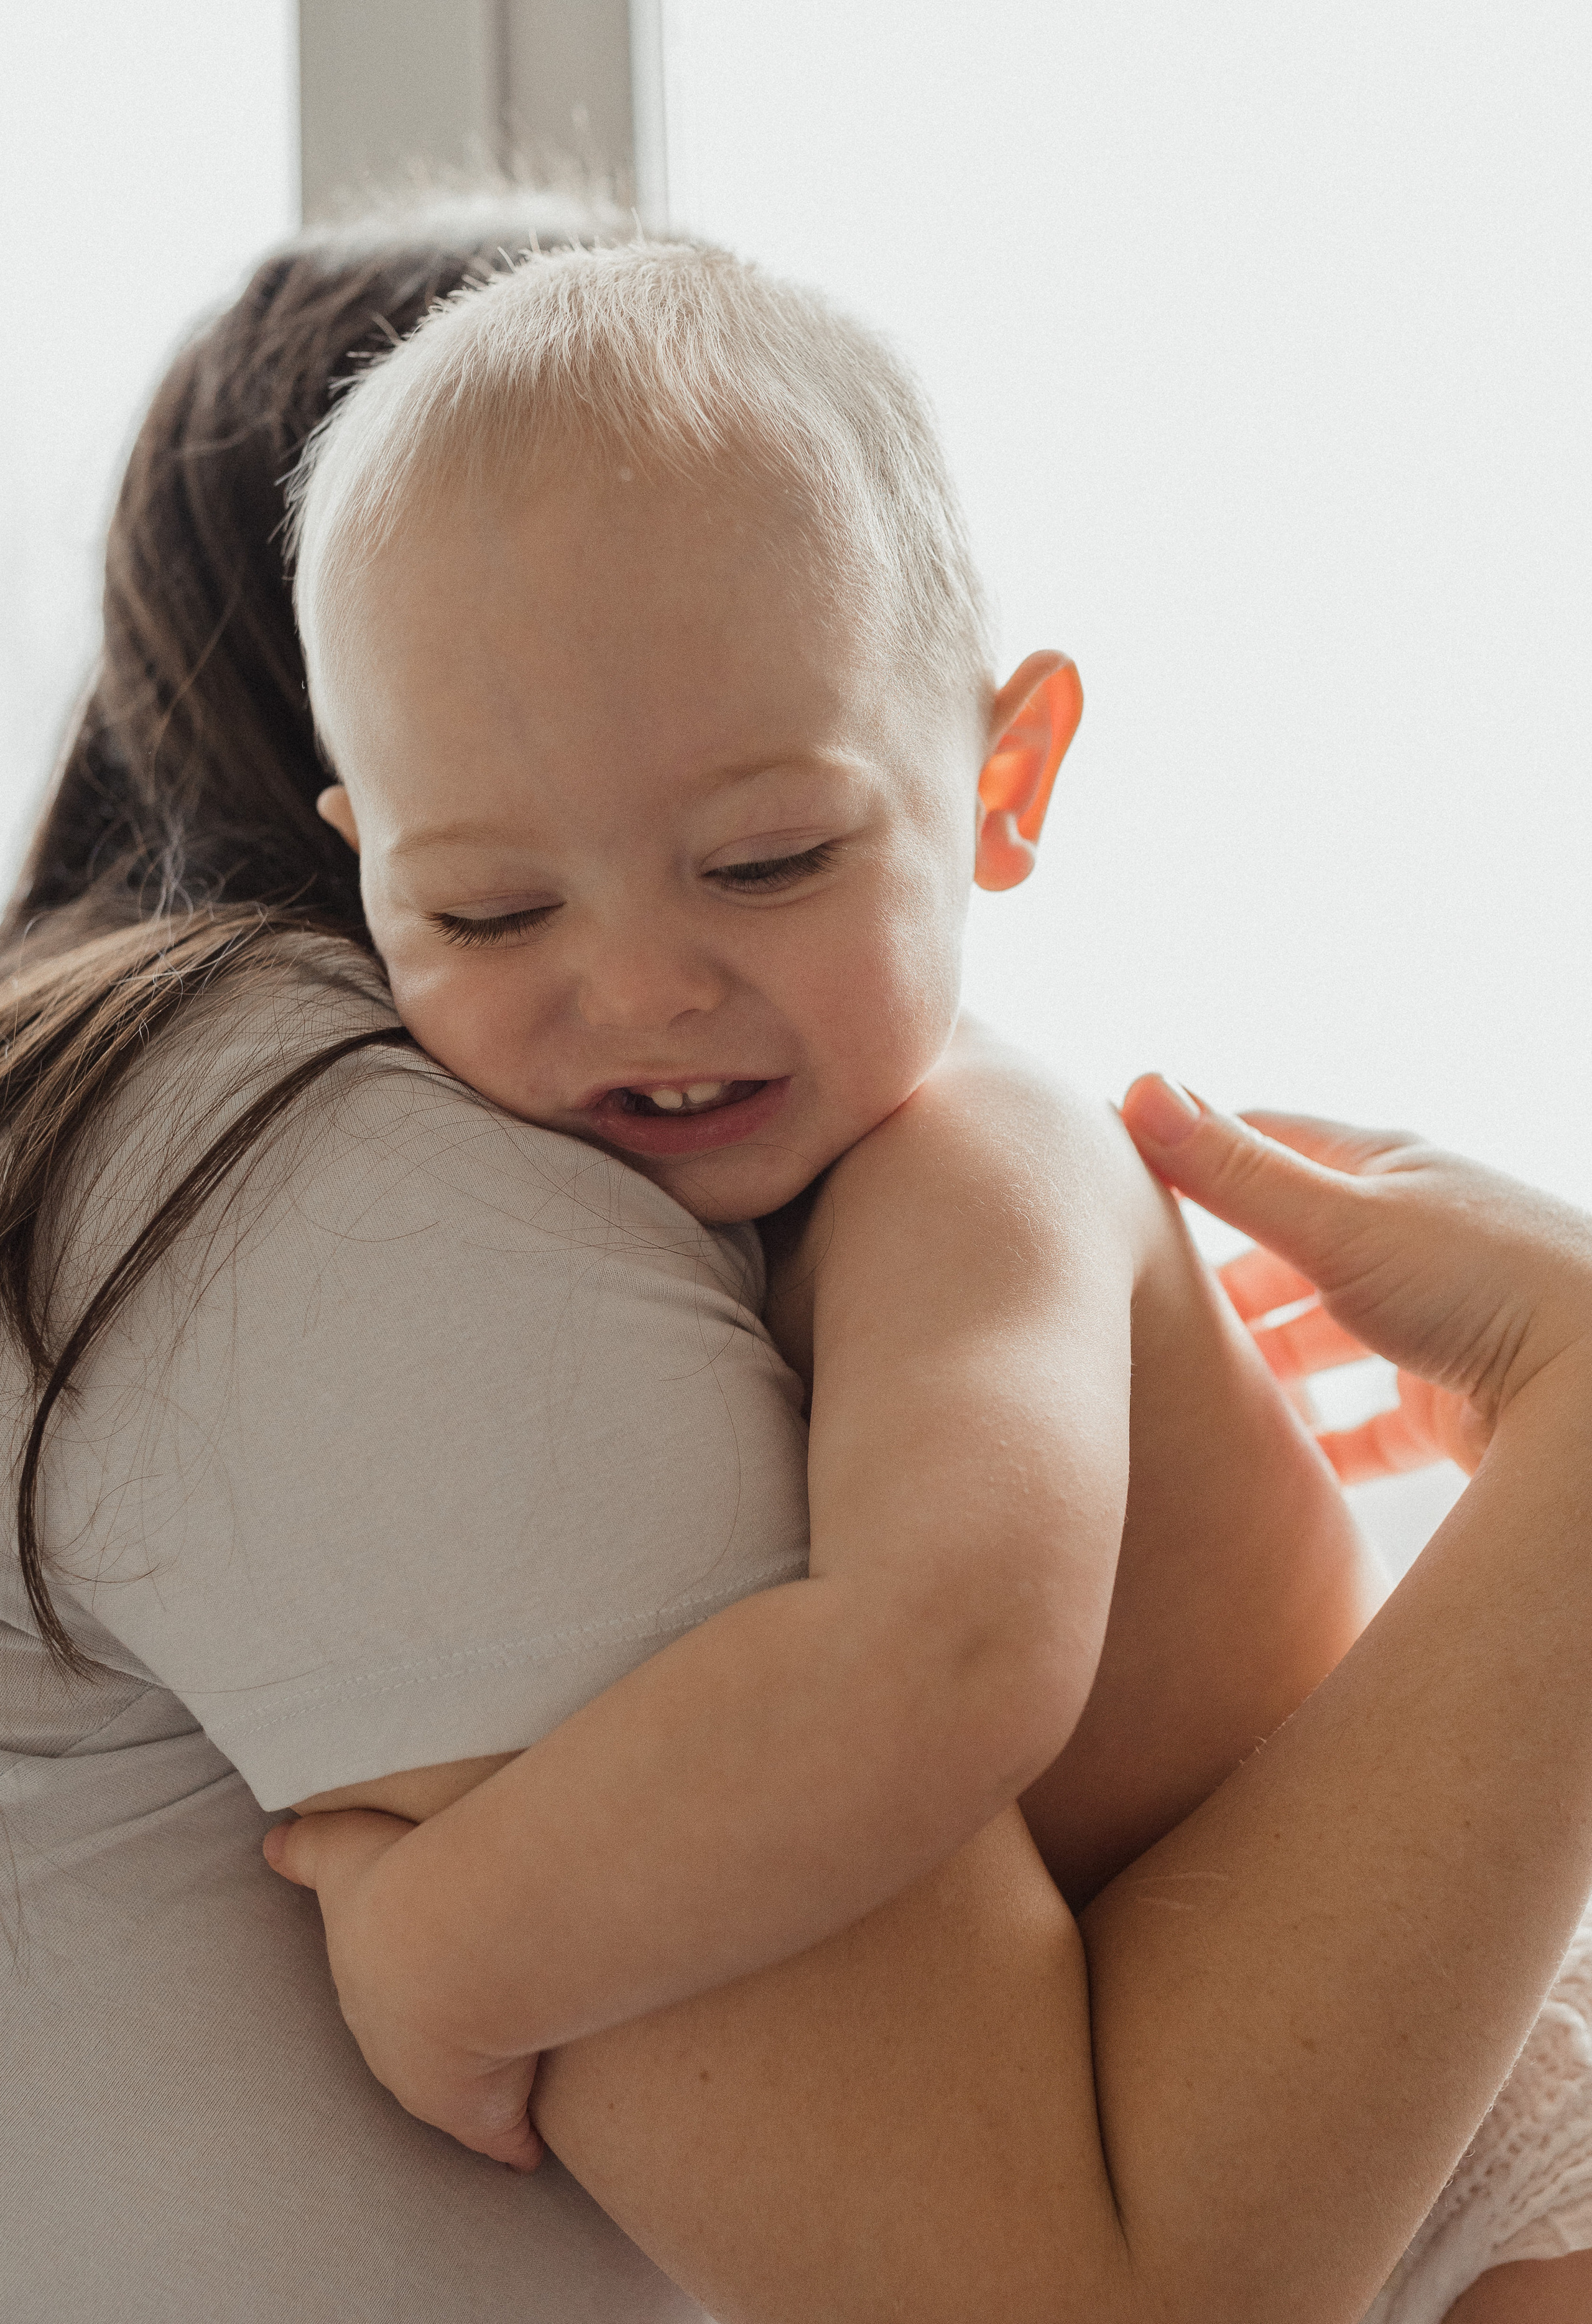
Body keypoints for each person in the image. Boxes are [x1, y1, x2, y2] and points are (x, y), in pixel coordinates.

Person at [0, 200, 1584, 2324]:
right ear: (356, 866)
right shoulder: (402, 1180)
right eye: (490, 914)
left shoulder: (974, 1167)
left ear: (1006, 783)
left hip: (1462, 2132)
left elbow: (945, 1653)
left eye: (765, 863)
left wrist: (454, 1947)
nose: (641, 988)